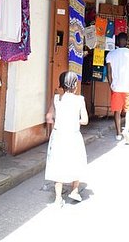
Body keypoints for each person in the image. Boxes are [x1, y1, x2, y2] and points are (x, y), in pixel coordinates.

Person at [45, 71, 89, 207]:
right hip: (74, 135)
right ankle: (74, 191)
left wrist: (57, 121)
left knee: (58, 163)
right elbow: (85, 120)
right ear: (75, 85)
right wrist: (75, 120)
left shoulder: (56, 98)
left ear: (61, 84)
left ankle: (58, 199)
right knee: (76, 161)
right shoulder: (80, 100)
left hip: (59, 135)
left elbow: (48, 118)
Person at [106, 32, 129, 144]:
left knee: (117, 111)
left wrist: (111, 85)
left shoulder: (111, 54)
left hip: (116, 87)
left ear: (117, 42)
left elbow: (109, 73)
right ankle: (127, 130)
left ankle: (118, 133)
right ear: (126, 42)